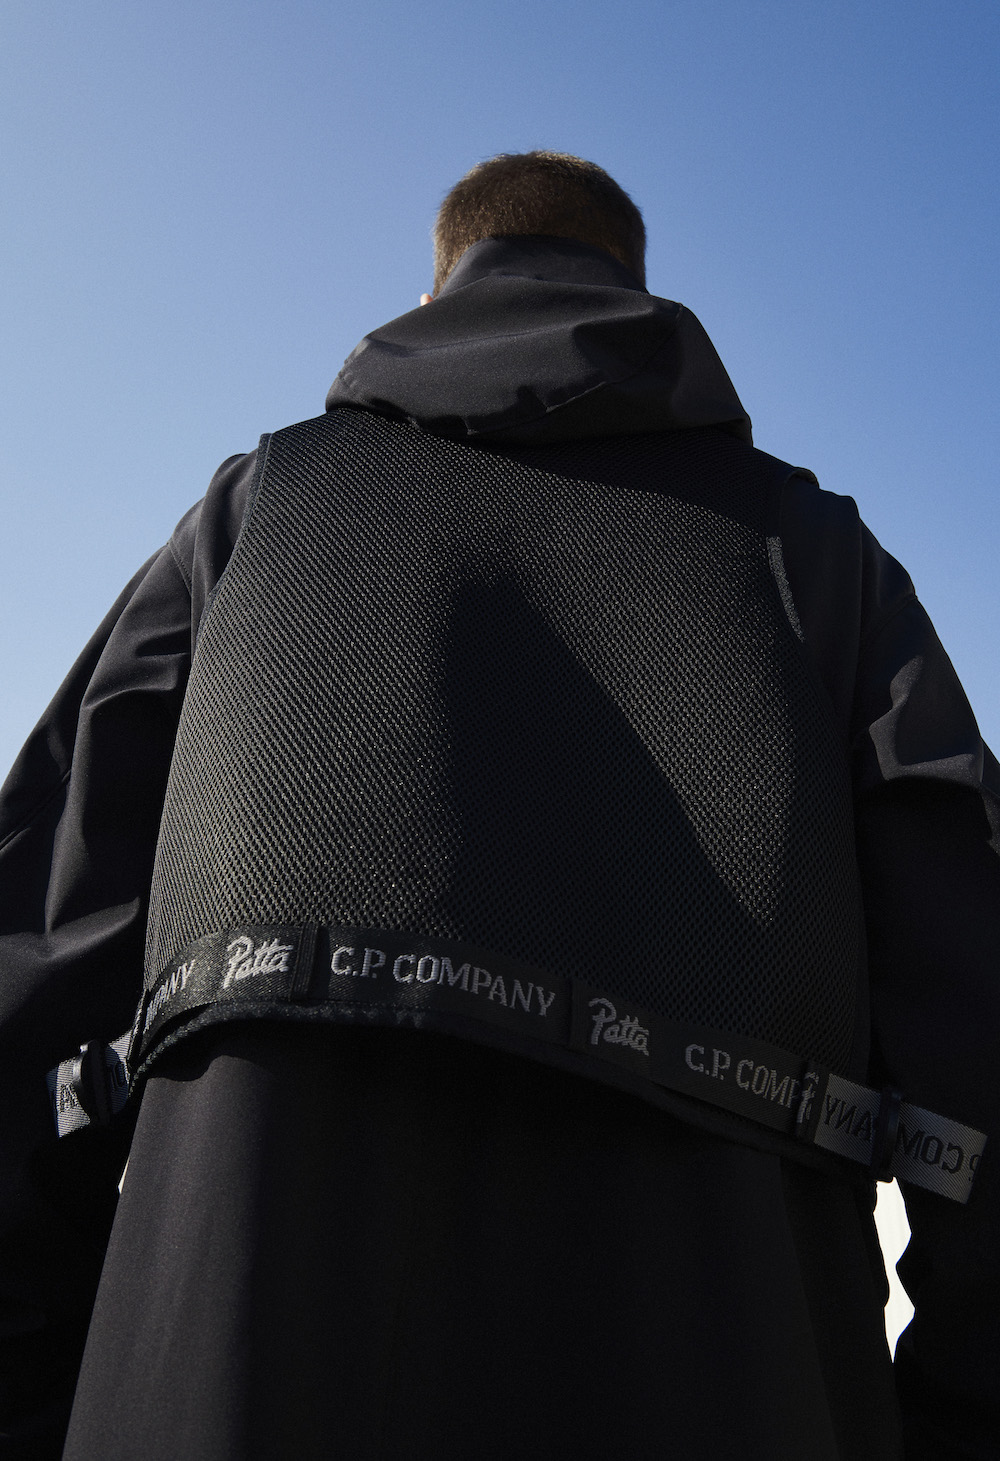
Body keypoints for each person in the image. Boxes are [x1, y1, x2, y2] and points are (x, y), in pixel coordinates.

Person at [0, 151, 996, 1461]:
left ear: (440, 290)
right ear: (635, 289)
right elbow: (978, 1024)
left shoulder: (250, 518)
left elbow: (33, 987)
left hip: (219, 1386)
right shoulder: (824, 565)